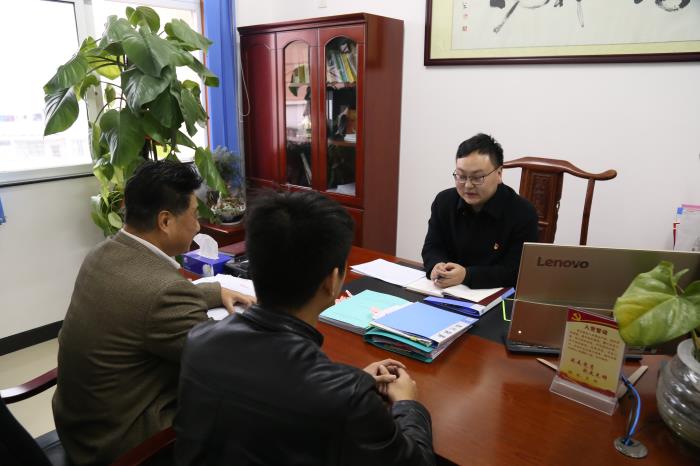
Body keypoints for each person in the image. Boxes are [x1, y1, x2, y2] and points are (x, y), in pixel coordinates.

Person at [175, 191, 435, 465]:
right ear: (332, 281)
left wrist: (352, 380)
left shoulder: (199, 340)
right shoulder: (348, 398)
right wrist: (407, 404)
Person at [52, 160, 255, 465]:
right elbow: (222, 364)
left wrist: (215, 291)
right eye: (194, 214)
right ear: (165, 221)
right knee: (248, 407)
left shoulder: (102, 253)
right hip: (125, 444)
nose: (198, 226)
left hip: (80, 428)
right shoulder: (164, 291)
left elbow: (138, 300)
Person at [422, 133, 538, 289]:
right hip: (445, 291)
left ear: (499, 174)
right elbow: (432, 247)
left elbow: (515, 271)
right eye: (461, 176)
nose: (468, 185)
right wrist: (436, 265)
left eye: (477, 177)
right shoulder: (444, 202)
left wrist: (467, 275)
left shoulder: (523, 213)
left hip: (496, 296)